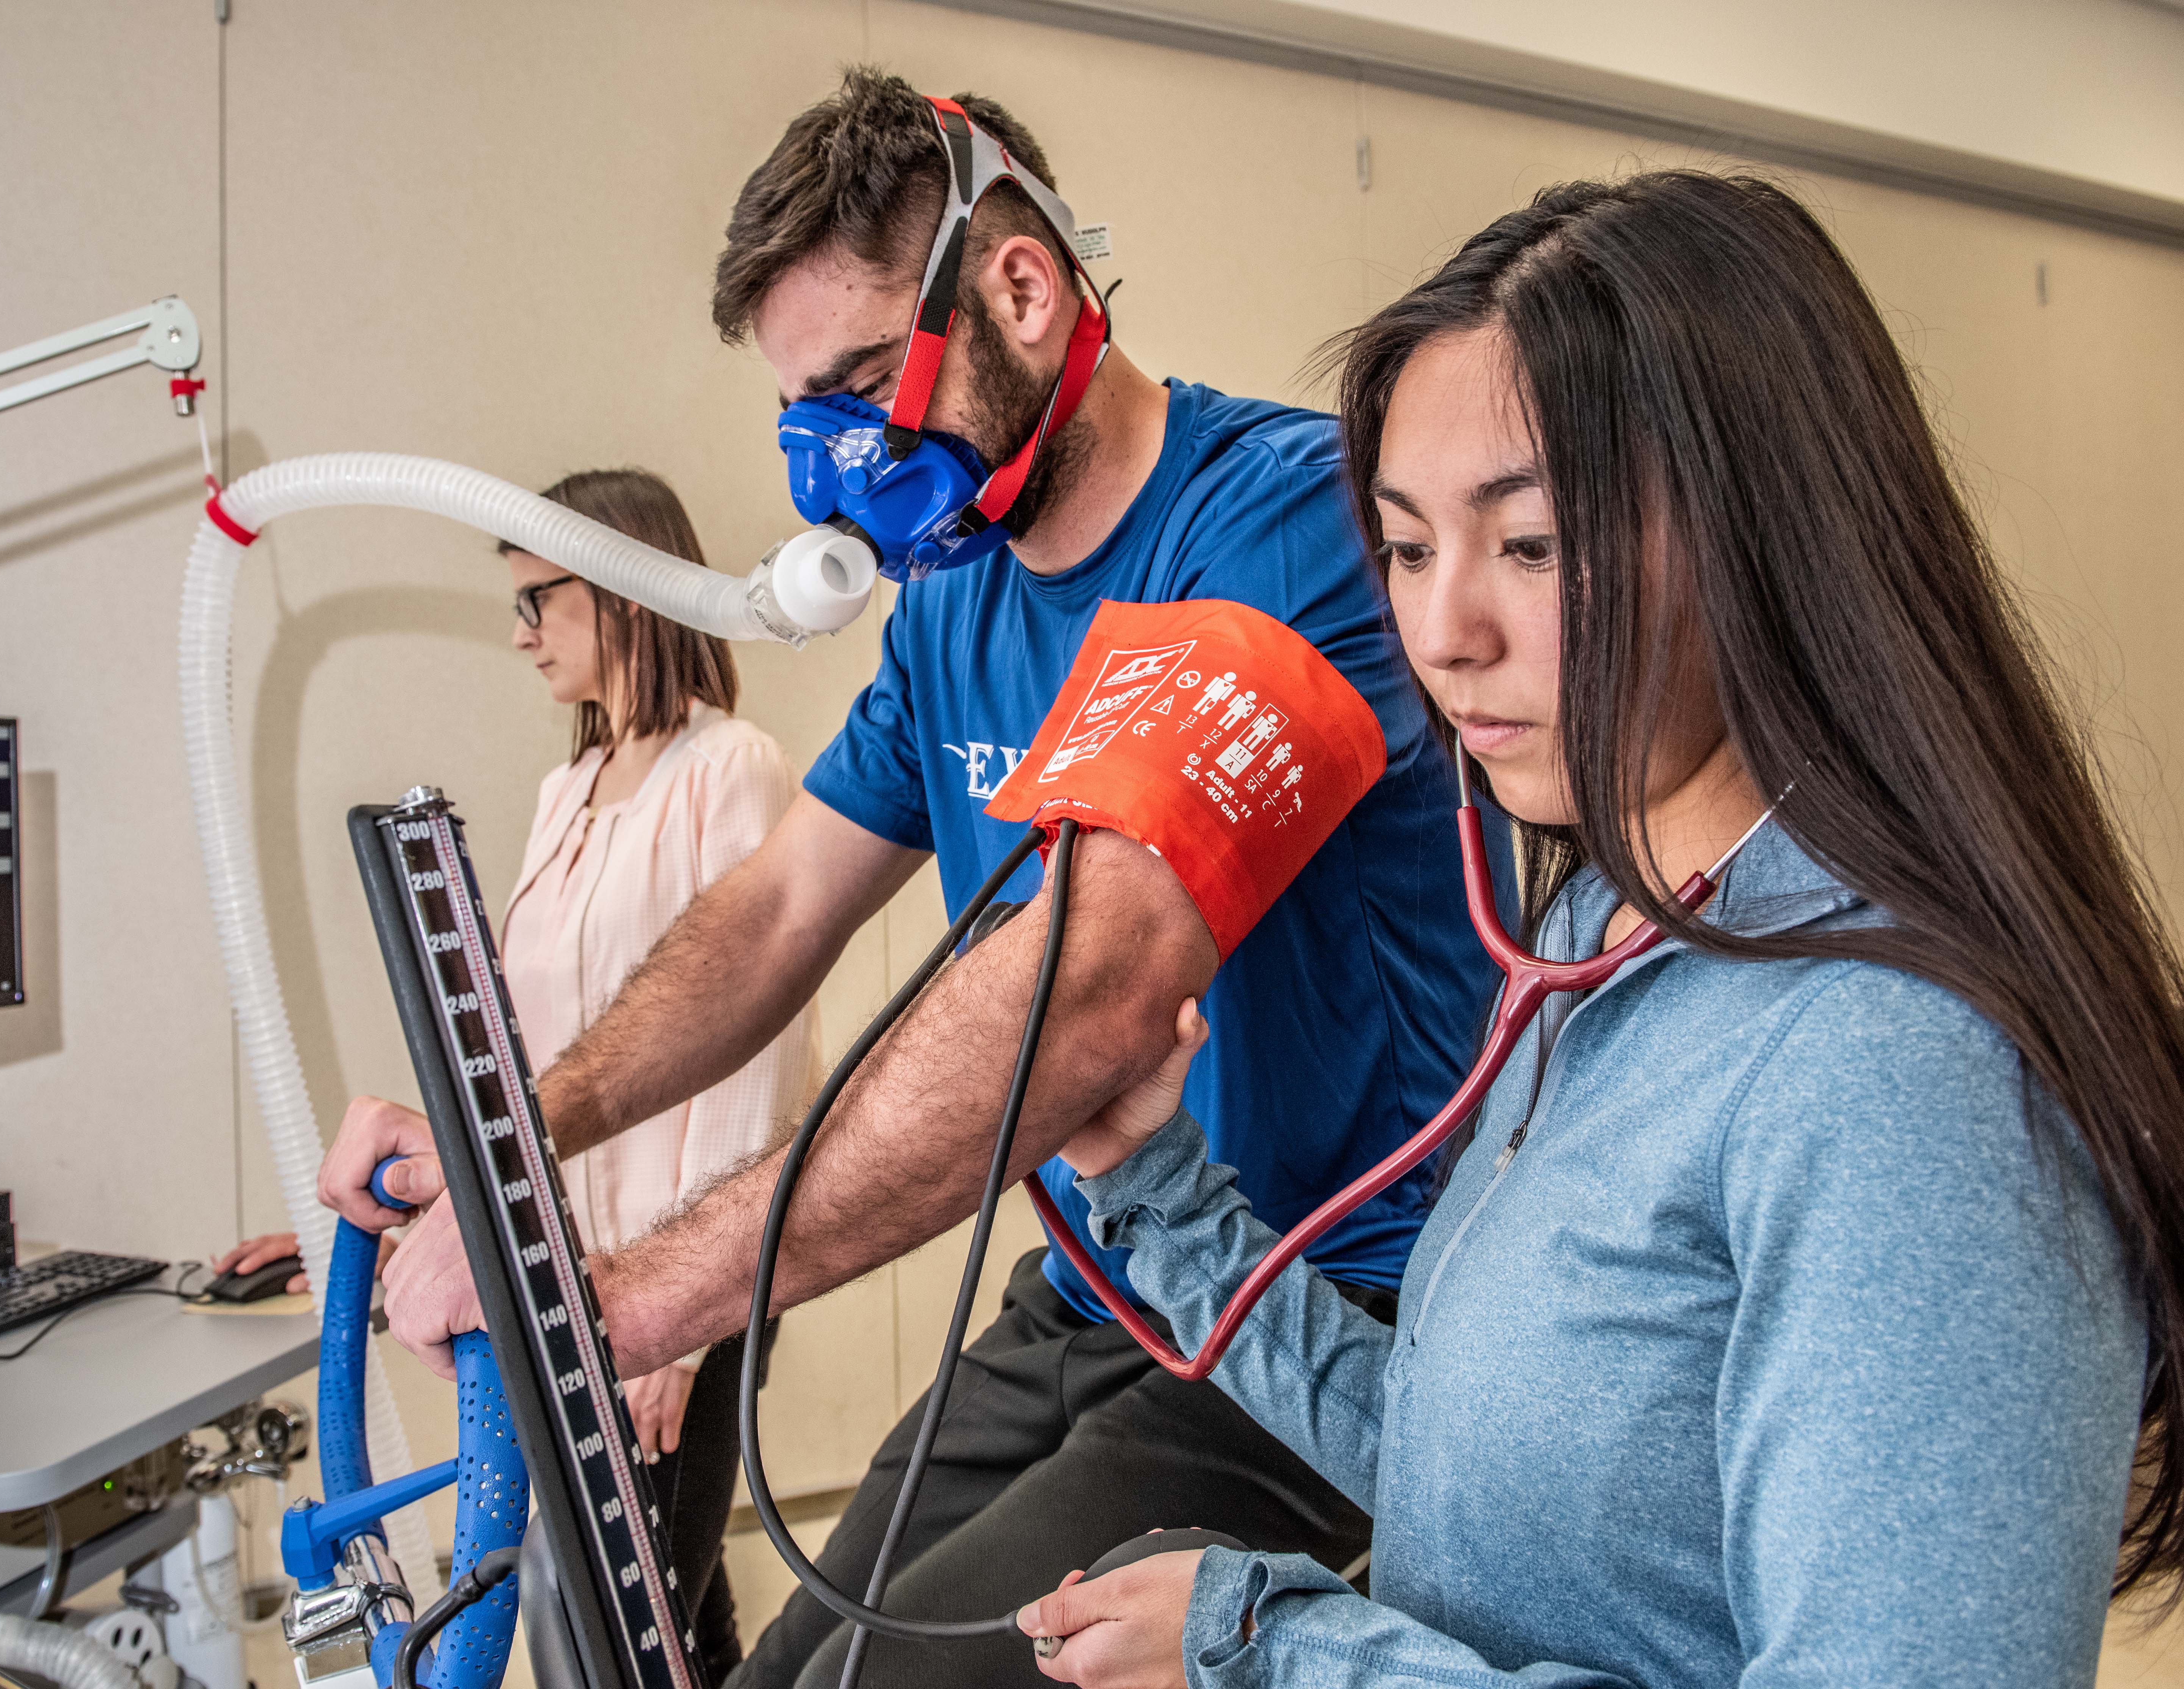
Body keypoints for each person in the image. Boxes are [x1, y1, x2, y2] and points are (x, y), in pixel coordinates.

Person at [326, 70, 1503, 1689]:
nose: (837, 462)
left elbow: (1075, 1002)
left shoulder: (1283, 524)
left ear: (1020, 290)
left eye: (869, 383)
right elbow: (779, 910)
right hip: (1100, 1281)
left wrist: (623, 1301)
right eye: (810, 407)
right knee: (785, 1667)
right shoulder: (950, 612)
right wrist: (515, 1134)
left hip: (1321, 1323)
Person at [1012, 171, 2184, 1687]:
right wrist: (1157, 1199)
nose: (1445, 633)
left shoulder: (1905, 1075)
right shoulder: (1605, 939)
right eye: (1412, 547)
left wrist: (1286, 1651)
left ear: (1768, 533)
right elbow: (1487, 1476)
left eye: (1533, 544)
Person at [213, 468, 813, 1683]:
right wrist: (388, 1218)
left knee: (620, 1625)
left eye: (542, 599)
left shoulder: (728, 767)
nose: (521, 631)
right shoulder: (566, 791)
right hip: (558, 1282)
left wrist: (679, 1327)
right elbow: (527, 1061)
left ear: (631, 593)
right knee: (671, 1615)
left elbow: (756, 1057)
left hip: (671, 1287)